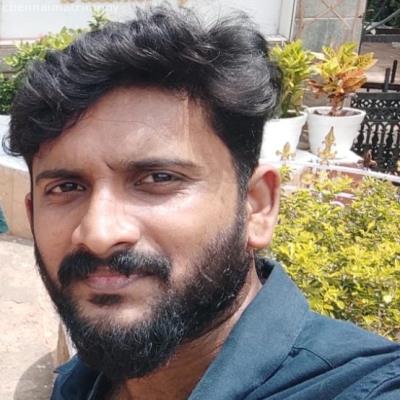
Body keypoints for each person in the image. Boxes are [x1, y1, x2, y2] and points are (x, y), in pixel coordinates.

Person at [4, 5, 400, 400]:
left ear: (257, 207)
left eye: (159, 179)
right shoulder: (81, 382)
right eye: (66, 187)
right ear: (32, 214)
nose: (99, 233)